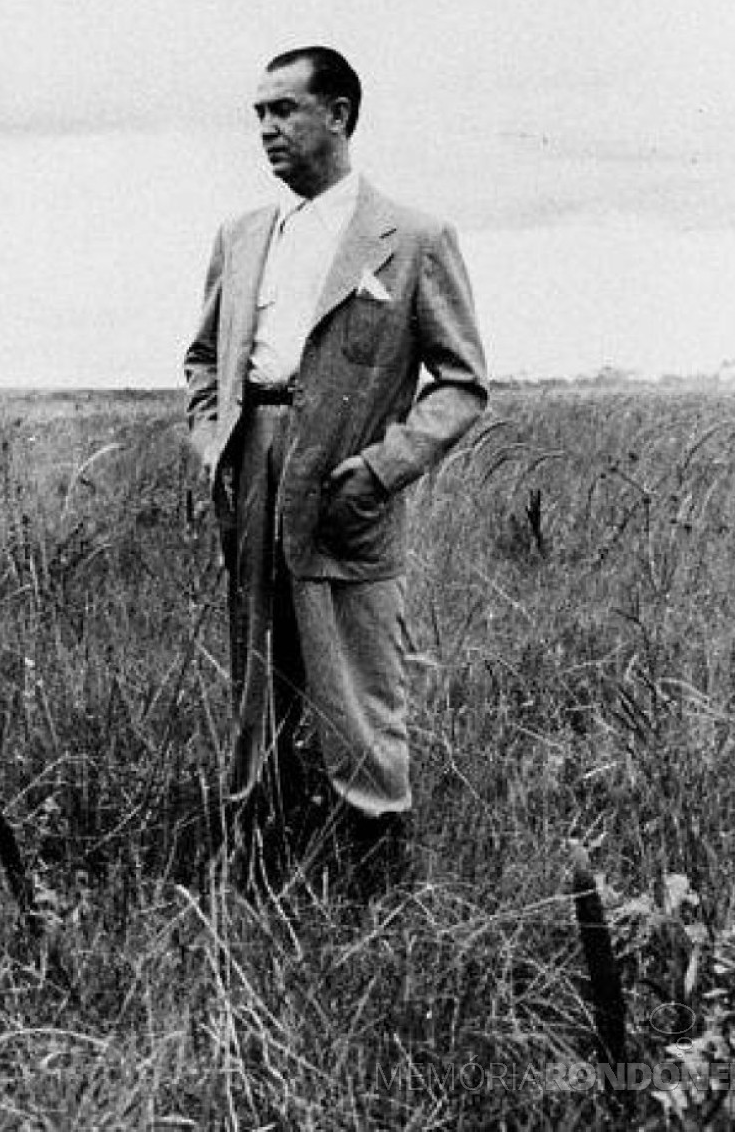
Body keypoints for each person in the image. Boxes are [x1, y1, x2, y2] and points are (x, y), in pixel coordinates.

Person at [184, 45, 487, 897]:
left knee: (356, 687)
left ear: (340, 115)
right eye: (259, 116)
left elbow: (462, 385)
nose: (268, 130)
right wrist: (217, 445)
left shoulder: (413, 239)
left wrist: (380, 470)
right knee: (255, 683)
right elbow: (205, 358)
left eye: (284, 110)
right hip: (253, 476)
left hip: (347, 491)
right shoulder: (242, 236)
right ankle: (256, 867)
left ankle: (375, 887)